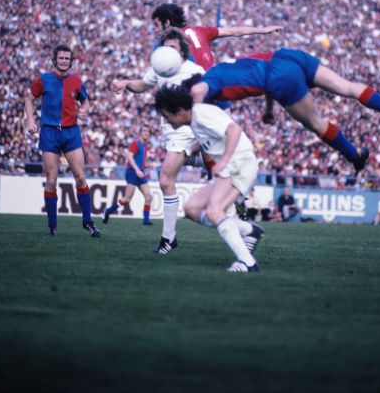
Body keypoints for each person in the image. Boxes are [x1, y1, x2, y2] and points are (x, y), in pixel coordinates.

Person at [183, 48, 380, 172]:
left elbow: (197, 92)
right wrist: (269, 108)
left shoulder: (207, 87)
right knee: (348, 87)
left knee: (315, 123)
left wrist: (195, 114)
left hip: (280, 78)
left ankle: (353, 155)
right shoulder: (217, 69)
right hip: (287, 56)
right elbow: (257, 72)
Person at [111, 30, 206, 254]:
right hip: (171, 133)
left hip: (187, 132)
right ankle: (225, 161)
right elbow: (142, 85)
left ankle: (168, 238)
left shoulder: (195, 71)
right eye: (165, 48)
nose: (168, 52)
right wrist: (125, 83)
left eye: (172, 47)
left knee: (165, 181)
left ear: (182, 50)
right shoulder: (159, 69)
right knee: (205, 163)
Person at [154, 84, 265, 273]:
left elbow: (234, 130)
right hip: (233, 165)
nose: (166, 121)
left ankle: (248, 262)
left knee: (214, 211)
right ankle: (248, 231)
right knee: (192, 209)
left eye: (167, 116)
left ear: (180, 111)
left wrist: (225, 161)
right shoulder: (194, 120)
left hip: (239, 163)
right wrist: (190, 151)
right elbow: (209, 140)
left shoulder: (201, 114)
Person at [25, 44, 101, 238]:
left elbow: (85, 100)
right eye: (61, 58)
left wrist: (84, 108)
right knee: (51, 180)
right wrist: (31, 120)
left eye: (67, 59)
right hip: (49, 132)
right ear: (55, 59)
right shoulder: (44, 79)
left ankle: (88, 222)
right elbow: (28, 97)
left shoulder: (76, 80)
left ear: (71, 61)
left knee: (81, 177)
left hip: (71, 132)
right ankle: (52, 227)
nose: (64, 61)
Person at [150, 2, 283, 70]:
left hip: (194, 87)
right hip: (214, 81)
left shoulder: (167, 42)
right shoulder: (200, 30)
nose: (155, 30)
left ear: (167, 23)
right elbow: (234, 31)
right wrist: (262, 30)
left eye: (156, 25)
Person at [103, 124, 155, 226]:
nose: (146, 132)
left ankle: (146, 220)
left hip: (139, 172)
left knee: (149, 196)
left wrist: (148, 166)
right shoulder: (136, 143)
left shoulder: (144, 145)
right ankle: (108, 211)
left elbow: (140, 162)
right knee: (127, 199)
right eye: (144, 130)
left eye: (148, 131)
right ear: (140, 132)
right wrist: (137, 170)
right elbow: (129, 156)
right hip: (132, 172)